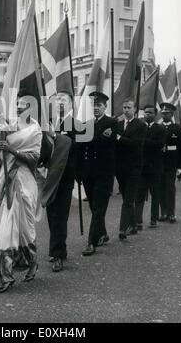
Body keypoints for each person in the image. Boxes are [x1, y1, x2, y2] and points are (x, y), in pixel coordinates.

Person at [0, 90, 42, 293]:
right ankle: (5, 274)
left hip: (25, 182)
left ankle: (32, 263)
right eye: (17, 104)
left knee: (26, 229)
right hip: (6, 182)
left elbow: (34, 158)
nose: (19, 107)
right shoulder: (7, 126)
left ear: (30, 107)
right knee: (4, 226)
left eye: (24, 104)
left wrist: (13, 150)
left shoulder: (35, 129)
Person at [77, 92, 117, 256]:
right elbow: (80, 147)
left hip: (104, 172)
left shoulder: (112, 123)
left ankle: (91, 243)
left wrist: (88, 137)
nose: (95, 108)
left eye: (98, 105)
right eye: (93, 105)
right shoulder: (86, 124)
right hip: (88, 172)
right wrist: (78, 172)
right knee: (94, 207)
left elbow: (104, 141)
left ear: (105, 107)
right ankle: (102, 233)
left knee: (99, 207)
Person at [46, 91, 81, 272]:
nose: (60, 103)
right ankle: (60, 247)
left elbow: (77, 147)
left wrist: (56, 137)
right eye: (57, 99)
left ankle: (57, 254)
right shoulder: (50, 123)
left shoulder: (77, 125)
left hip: (66, 175)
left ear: (71, 104)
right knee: (51, 214)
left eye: (64, 100)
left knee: (61, 215)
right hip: (50, 176)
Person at [115, 99, 147, 240]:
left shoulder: (141, 125)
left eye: (129, 107)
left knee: (128, 199)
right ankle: (133, 225)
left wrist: (120, 138)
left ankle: (123, 228)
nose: (126, 110)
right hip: (120, 167)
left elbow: (136, 144)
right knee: (125, 195)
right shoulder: (119, 124)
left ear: (134, 109)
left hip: (134, 167)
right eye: (124, 107)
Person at [135, 105, 166, 229]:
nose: (147, 114)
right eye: (145, 112)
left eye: (150, 113)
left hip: (154, 167)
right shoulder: (139, 127)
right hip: (142, 167)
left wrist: (143, 140)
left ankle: (154, 219)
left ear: (155, 114)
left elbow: (159, 144)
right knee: (139, 194)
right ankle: (138, 221)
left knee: (155, 194)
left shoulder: (160, 129)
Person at [159, 102, 181, 223]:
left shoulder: (177, 128)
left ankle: (171, 213)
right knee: (160, 187)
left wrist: (180, 166)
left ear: (172, 114)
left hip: (171, 163)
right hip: (159, 163)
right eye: (163, 113)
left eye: (167, 113)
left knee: (170, 187)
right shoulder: (157, 127)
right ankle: (163, 212)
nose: (164, 115)